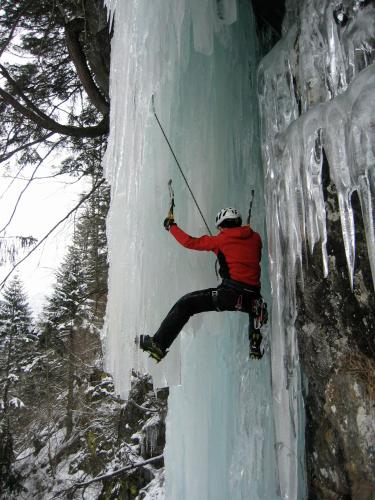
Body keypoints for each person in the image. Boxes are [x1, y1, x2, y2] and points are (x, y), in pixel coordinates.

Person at [140, 207, 266, 362]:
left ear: (222, 225)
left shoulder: (220, 240)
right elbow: (250, 253)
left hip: (230, 295)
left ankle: (158, 344)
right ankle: (255, 343)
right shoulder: (256, 238)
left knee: (186, 304)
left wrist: (171, 227)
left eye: (220, 228)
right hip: (253, 297)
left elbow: (189, 242)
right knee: (253, 305)